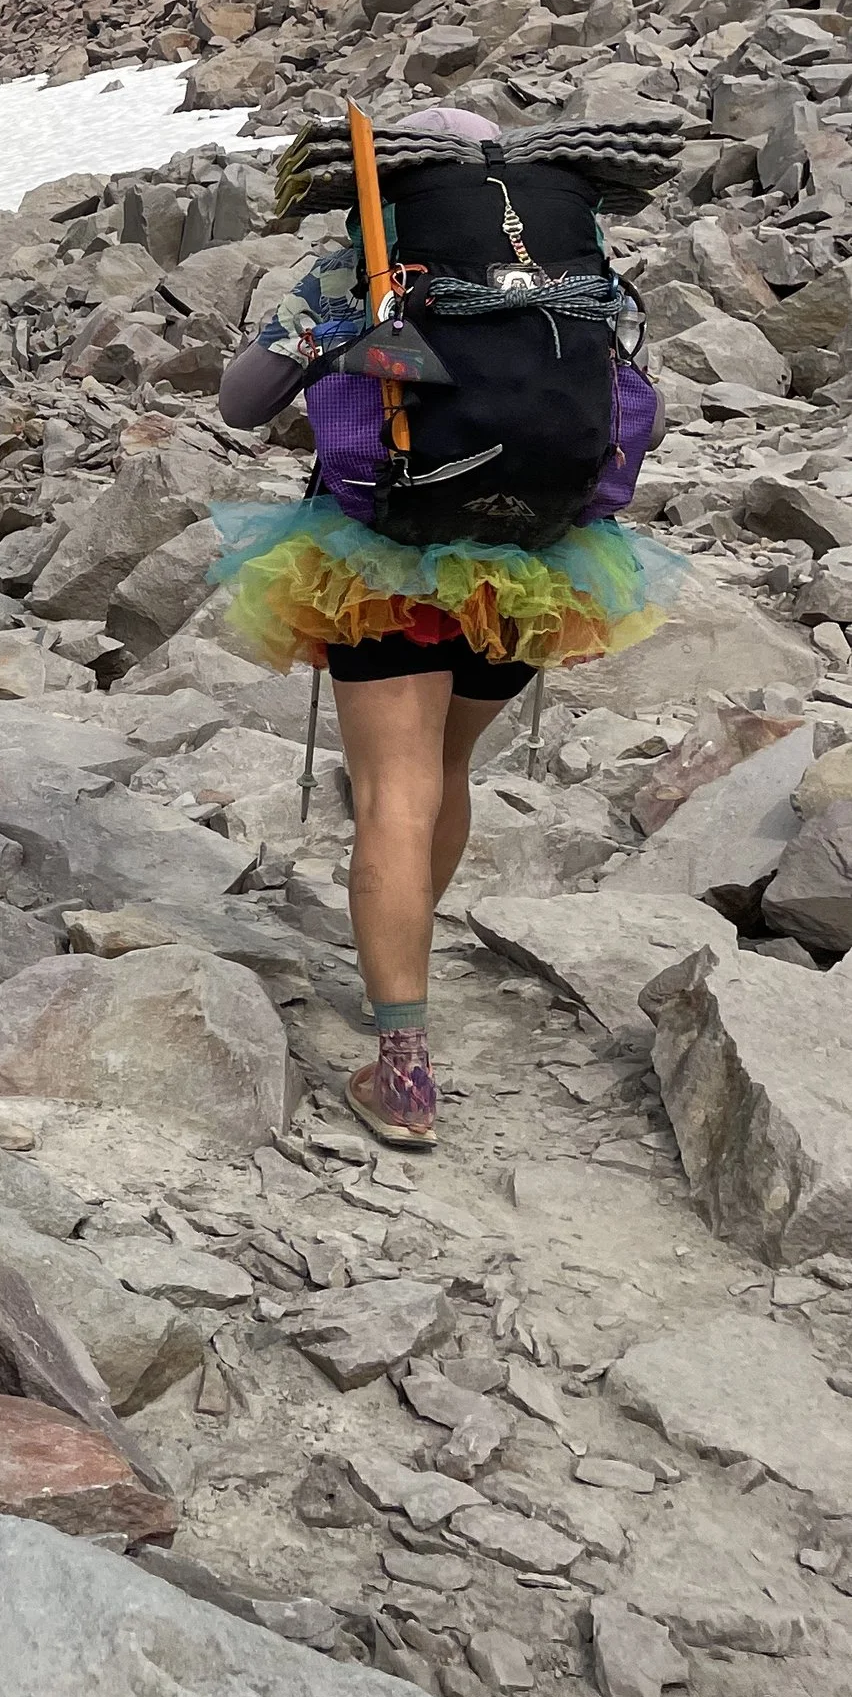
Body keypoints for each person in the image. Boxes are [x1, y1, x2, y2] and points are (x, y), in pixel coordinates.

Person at [208, 104, 680, 1149]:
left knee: (390, 792)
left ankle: (403, 1071)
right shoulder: (563, 268)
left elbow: (242, 402)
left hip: (378, 561)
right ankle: (407, 967)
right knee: (444, 777)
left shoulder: (358, 272)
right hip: (534, 566)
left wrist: (330, 339)